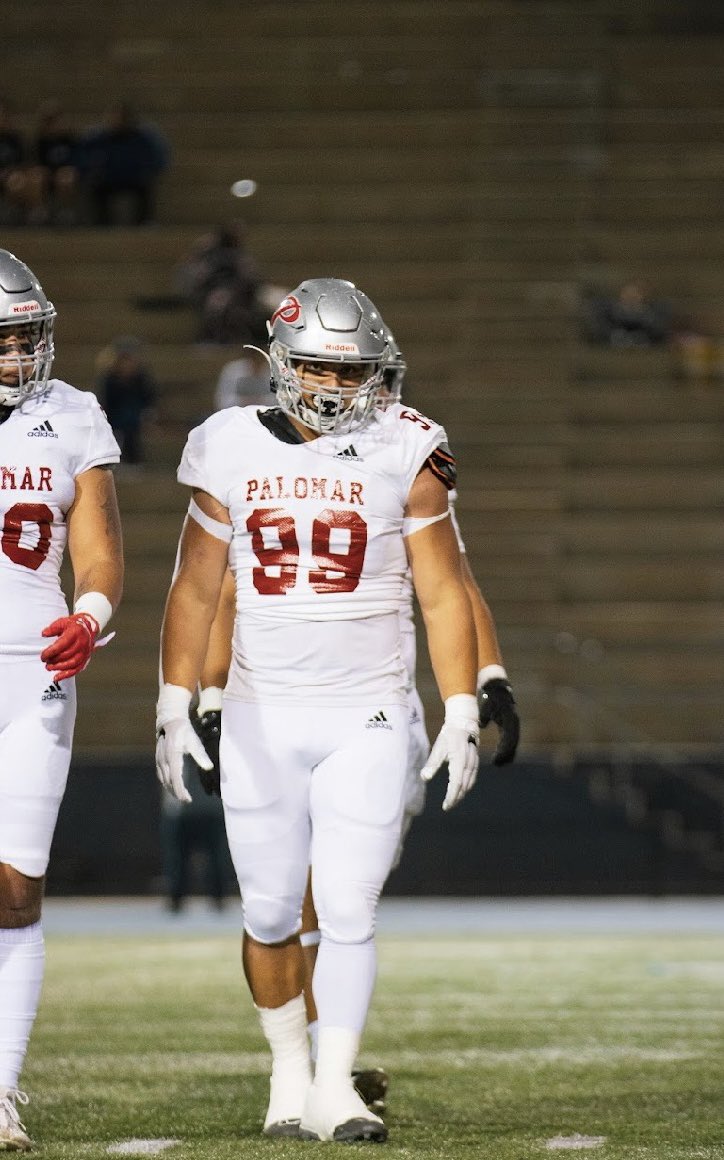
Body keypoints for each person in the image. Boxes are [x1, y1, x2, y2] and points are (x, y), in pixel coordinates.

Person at [156, 278, 508, 1143]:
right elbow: (196, 588)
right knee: (272, 912)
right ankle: (289, 1072)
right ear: (281, 364)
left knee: (348, 907)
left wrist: (461, 705)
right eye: (318, 366)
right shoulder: (228, 443)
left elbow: (444, 589)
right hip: (261, 711)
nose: (335, 385)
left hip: (370, 711)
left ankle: (335, 1084)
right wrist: (176, 697)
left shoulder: (409, 444)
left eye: (352, 370)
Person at [0, 250, 124, 1150]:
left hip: (33, 669)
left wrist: (91, 615)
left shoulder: (73, 412)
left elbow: (102, 551)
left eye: (24, 338)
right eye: (0, 341)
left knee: (16, 891)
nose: (17, 357)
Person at [78, 101, 169, 227]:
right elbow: (84, 154)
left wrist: (147, 170)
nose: (116, 121)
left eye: (120, 118)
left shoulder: (142, 138)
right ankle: (102, 222)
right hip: (107, 179)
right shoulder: (98, 138)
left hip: (133, 179)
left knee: (145, 186)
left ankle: (143, 222)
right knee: (96, 187)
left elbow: (155, 158)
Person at [174, 224, 264, 345]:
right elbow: (195, 276)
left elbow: (251, 277)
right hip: (212, 292)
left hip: (238, 293)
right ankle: (212, 337)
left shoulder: (239, 257)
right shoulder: (209, 255)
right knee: (217, 304)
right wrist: (200, 249)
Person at [96, 336, 156, 466]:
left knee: (132, 427)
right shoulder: (110, 380)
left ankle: (134, 459)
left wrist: (148, 415)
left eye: (130, 360)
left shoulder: (141, 379)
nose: (127, 365)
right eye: (124, 360)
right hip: (115, 417)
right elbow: (105, 402)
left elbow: (149, 400)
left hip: (135, 418)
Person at [213, 345, 272, 411]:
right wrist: (243, 401)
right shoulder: (232, 370)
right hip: (236, 413)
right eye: (256, 357)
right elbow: (221, 401)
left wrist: (260, 401)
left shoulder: (272, 371)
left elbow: (277, 401)